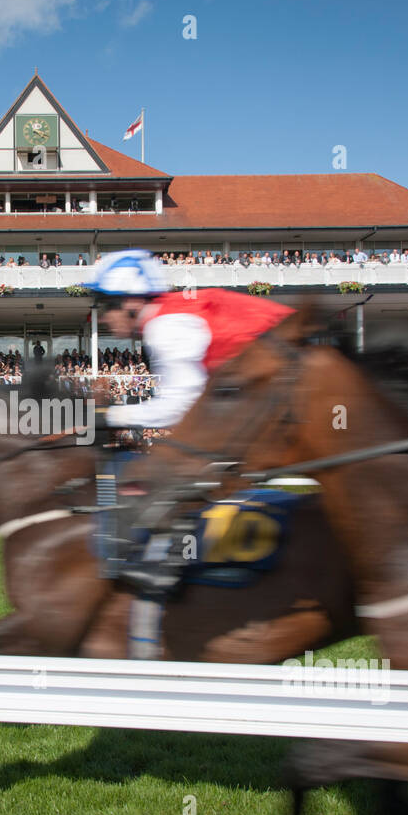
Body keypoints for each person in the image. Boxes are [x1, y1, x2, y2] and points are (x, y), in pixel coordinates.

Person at [81, 249, 295, 595]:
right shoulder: (168, 316)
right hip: (273, 387)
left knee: (162, 472)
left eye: (107, 306)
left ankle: (179, 569)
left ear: (133, 301)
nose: (103, 318)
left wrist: (107, 415)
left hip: (294, 389)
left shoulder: (166, 326)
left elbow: (179, 406)